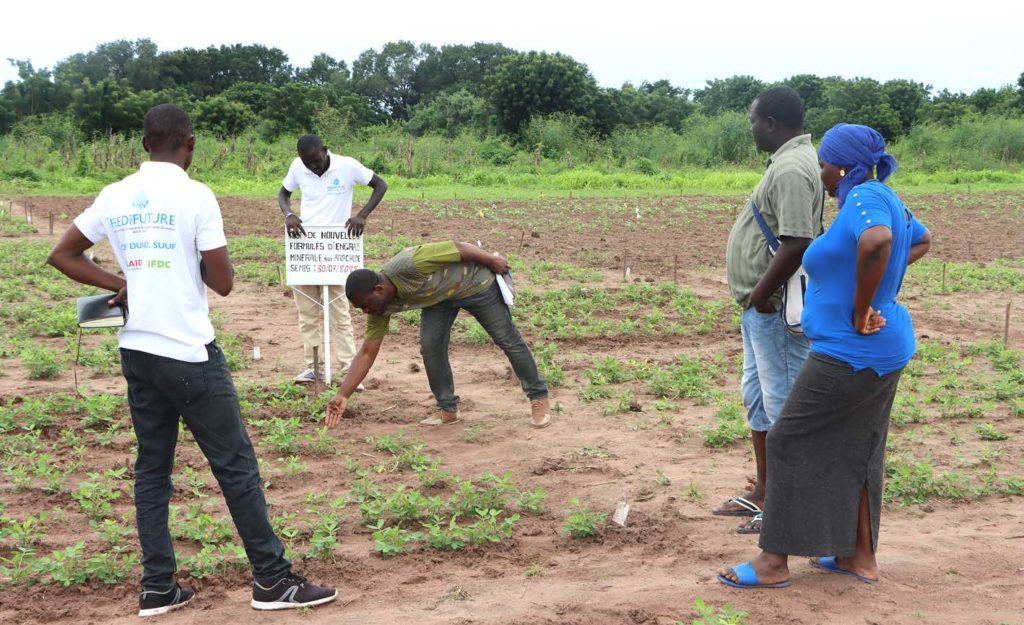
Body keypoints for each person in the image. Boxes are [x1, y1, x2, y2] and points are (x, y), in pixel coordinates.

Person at [47, 104, 336, 616]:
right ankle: (271, 580)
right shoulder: (196, 195)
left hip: (137, 351)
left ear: (143, 146)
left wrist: (123, 282)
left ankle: (158, 587)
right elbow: (222, 283)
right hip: (188, 353)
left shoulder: (114, 195)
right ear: (191, 144)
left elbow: (64, 254)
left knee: (152, 471)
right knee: (237, 467)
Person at [718, 123, 931, 589]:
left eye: (825, 163)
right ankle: (859, 558)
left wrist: (860, 307)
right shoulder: (884, 196)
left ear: (844, 165)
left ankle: (773, 562)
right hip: (882, 348)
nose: (821, 171)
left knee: (789, 440)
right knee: (861, 450)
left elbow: (878, 243)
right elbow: (920, 240)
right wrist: (876, 287)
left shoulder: (863, 200)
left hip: (849, 350)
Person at [716, 87, 824, 532]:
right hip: (760, 309)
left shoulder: (793, 170)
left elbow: (799, 240)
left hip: (773, 308)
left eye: (755, 122)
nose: (752, 129)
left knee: (782, 407)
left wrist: (762, 293)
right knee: (759, 400)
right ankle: (764, 492)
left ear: (772, 124)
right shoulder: (787, 163)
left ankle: (786, 507)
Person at [323, 240, 551, 429]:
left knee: (507, 339)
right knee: (431, 347)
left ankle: (538, 397)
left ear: (379, 290)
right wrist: (343, 394)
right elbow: (366, 352)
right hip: (439, 299)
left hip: (475, 284)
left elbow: (458, 248)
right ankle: (448, 408)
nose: (366, 311)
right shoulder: (380, 307)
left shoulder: (407, 265)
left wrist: (491, 260)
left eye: (365, 305)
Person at [279, 134, 388, 383]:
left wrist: (362, 215)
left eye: (316, 161)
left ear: (325, 151)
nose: (313, 167)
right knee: (307, 314)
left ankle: (348, 369)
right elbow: (283, 194)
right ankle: (313, 367)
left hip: (337, 252)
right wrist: (289, 215)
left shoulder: (347, 166)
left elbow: (380, 185)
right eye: (308, 164)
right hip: (306, 249)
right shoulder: (298, 167)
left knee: (340, 313)